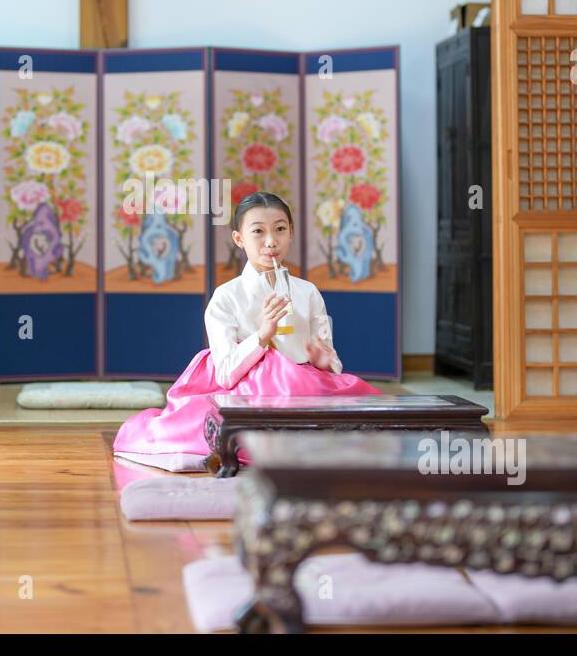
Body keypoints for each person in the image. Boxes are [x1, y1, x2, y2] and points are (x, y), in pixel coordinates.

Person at [112, 191, 381, 471]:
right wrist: (262, 335)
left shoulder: (307, 292)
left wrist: (323, 361)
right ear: (239, 239)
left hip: (304, 384)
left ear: (291, 233)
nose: (270, 241)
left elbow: (331, 360)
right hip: (248, 388)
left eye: (279, 229)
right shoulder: (226, 297)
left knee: (368, 414)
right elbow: (226, 373)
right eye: (258, 231)